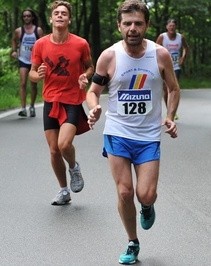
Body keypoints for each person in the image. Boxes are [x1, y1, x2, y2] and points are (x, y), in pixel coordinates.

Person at [86, 1, 179, 264]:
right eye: (127, 23)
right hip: (117, 132)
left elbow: (173, 88)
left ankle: (147, 207)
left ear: (147, 25)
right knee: (125, 192)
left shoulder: (160, 55)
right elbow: (93, 92)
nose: (133, 28)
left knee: (145, 195)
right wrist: (94, 109)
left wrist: (170, 116)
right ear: (119, 26)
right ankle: (132, 242)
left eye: (138, 23)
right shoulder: (109, 56)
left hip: (149, 135)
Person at [29, 1, 94, 205]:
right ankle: (64, 191)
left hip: (72, 100)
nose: (59, 16)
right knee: (54, 151)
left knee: (64, 144)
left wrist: (85, 76)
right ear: (50, 18)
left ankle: (74, 168)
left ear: (69, 19)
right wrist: (37, 76)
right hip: (50, 100)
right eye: (56, 13)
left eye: (63, 13)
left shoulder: (80, 44)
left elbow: (90, 67)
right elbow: (32, 73)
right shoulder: (40, 44)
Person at [11, 8, 44, 117]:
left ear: (32, 17)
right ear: (22, 18)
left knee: (33, 84)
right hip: (23, 59)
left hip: (34, 60)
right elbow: (14, 40)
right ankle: (23, 108)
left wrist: (42, 55)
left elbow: (43, 43)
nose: (26, 18)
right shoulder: (19, 31)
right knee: (23, 82)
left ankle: (32, 106)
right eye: (24, 16)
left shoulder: (38, 30)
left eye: (28, 16)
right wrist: (14, 51)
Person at [155, 18, 188, 120]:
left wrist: (183, 57)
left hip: (176, 66)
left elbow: (186, 48)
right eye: (170, 26)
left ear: (176, 27)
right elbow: (155, 49)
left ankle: (173, 112)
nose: (172, 27)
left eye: (173, 26)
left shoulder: (180, 37)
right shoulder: (162, 37)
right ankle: (169, 109)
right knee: (166, 90)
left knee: (174, 88)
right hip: (165, 67)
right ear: (167, 27)